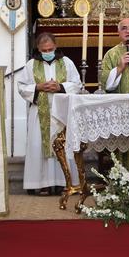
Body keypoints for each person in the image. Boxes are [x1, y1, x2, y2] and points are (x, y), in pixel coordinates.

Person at [17, 32, 81, 194]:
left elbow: (77, 84)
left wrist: (60, 87)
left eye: (50, 49)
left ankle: (64, 182)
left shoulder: (66, 62)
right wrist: (38, 87)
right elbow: (22, 87)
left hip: (61, 114)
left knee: (63, 146)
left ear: (55, 46)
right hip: (40, 114)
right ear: (38, 49)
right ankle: (42, 183)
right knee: (38, 146)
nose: (47, 53)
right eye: (44, 50)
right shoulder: (31, 65)